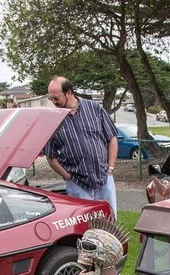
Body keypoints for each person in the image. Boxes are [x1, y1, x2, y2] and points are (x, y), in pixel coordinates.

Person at [43, 77, 118, 215]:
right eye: (51, 98)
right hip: (77, 184)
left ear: (69, 92)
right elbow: (51, 157)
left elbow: (112, 138)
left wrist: (110, 168)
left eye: (56, 98)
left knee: (109, 222)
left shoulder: (94, 108)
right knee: (84, 227)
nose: (54, 102)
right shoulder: (53, 120)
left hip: (104, 179)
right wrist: (68, 177)